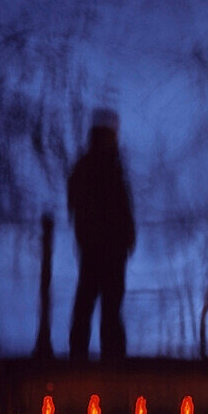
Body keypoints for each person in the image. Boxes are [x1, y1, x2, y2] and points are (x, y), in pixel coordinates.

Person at [67, 108, 135, 361]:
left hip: (99, 245)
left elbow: (77, 203)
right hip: (105, 246)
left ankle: (84, 352)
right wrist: (125, 236)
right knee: (104, 301)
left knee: (94, 299)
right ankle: (110, 355)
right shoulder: (106, 167)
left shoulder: (89, 166)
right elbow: (117, 206)